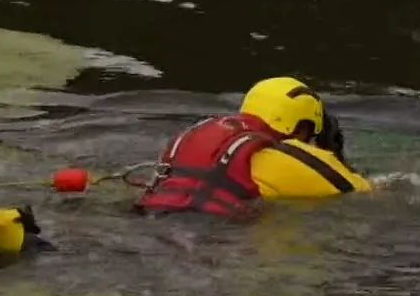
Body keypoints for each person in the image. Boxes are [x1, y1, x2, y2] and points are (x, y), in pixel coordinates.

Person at [133, 76, 371, 218]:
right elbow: (364, 193)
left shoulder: (193, 134)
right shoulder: (282, 158)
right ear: (301, 128)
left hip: (147, 218)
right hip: (212, 236)